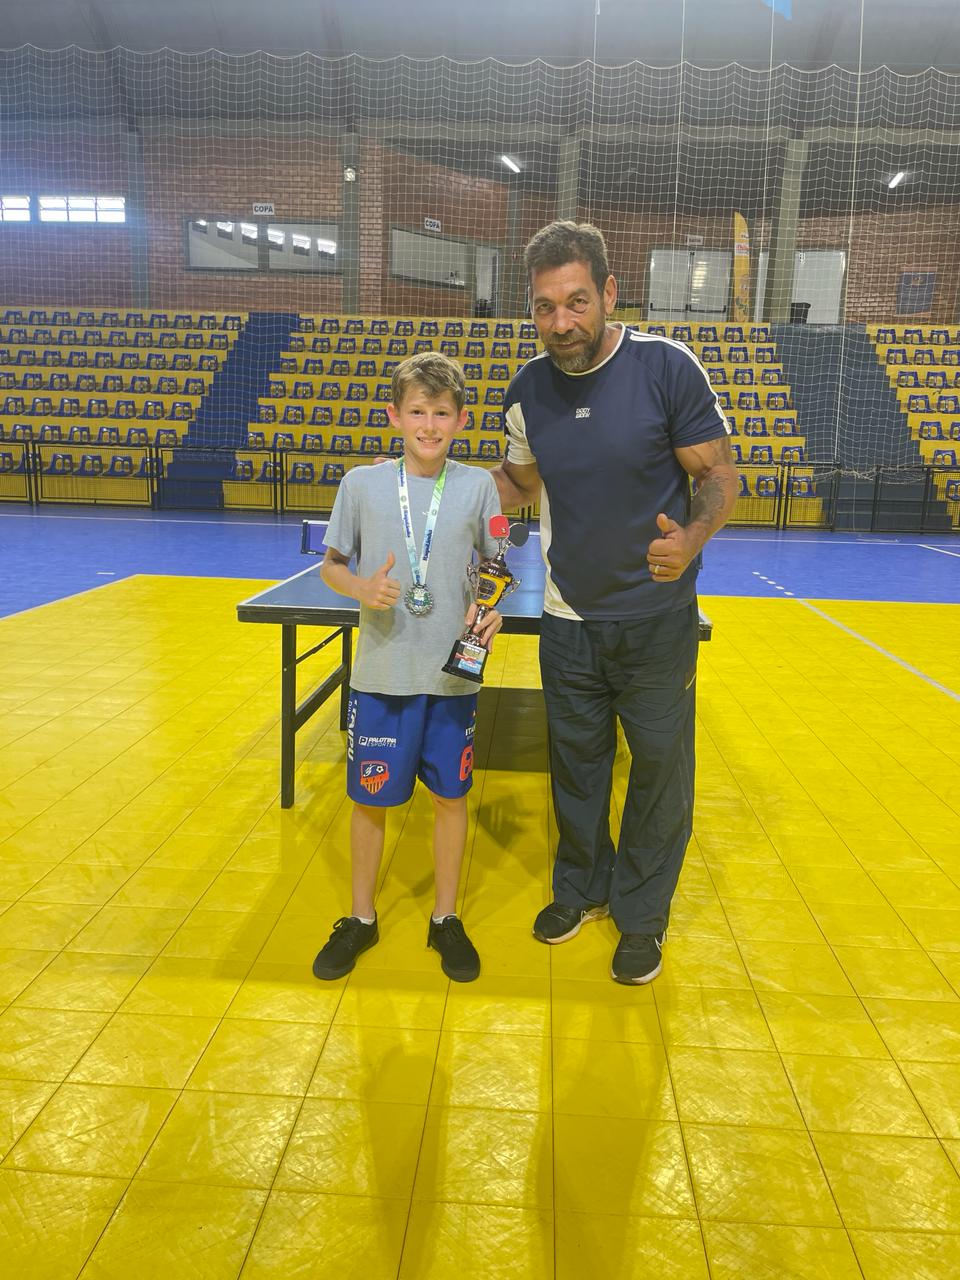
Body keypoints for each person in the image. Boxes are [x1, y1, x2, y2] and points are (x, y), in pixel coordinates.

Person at [490, 220, 738, 985]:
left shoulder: (666, 368)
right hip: (568, 620)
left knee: (659, 771)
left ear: (608, 293)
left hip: (656, 622)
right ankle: (581, 889)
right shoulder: (527, 391)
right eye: (544, 307)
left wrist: (692, 538)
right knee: (577, 767)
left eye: (576, 301)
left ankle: (641, 915)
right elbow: (518, 484)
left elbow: (718, 473)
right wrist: (425, 484)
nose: (561, 321)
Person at [312, 351, 503, 984]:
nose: (429, 425)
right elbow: (331, 565)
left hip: (451, 677)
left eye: (442, 413)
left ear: (461, 420)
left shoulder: (478, 487)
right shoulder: (361, 485)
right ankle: (360, 917)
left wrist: (491, 610)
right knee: (370, 802)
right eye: (417, 411)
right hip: (382, 676)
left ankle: (445, 917)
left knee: (451, 798)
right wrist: (361, 587)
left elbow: (494, 568)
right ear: (394, 416)